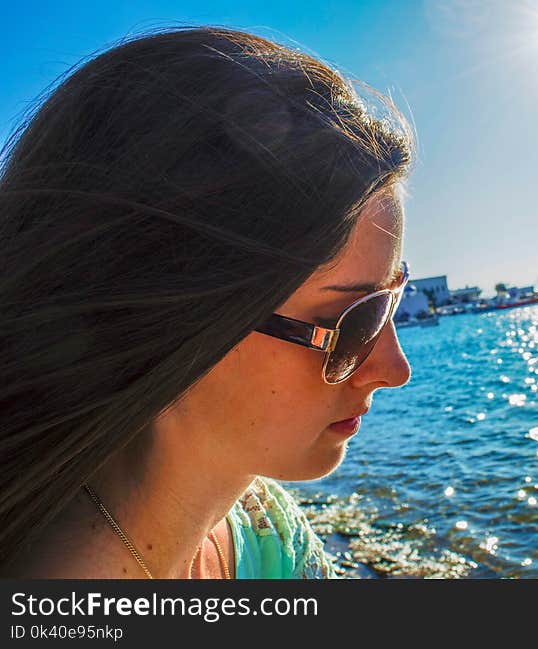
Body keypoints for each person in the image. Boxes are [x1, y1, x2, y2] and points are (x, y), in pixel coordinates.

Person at [0, 26, 413, 578]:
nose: (394, 369)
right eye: (356, 322)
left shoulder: (261, 523)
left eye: (394, 298)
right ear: (164, 317)